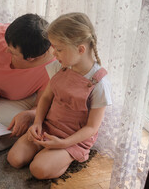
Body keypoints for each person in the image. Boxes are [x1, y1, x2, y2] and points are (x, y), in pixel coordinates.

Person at [6, 12, 112, 179]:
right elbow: (47, 98)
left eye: (59, 49)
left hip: (72, 139)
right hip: (49, 127)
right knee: (14, 159)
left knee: (38, 169)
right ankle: (46, 151)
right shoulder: (59, 67)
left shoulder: (99, 84)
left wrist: (63, 144)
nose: (54, 53)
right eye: (53, 47)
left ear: (81, 49)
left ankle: (68, 156)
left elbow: (92, 128)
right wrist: (38, 123)